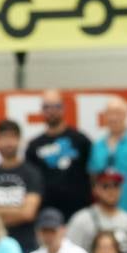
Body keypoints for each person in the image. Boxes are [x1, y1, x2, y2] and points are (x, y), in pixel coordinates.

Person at [25, 89, 94, 225]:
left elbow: (93, 174)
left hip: (79, 212)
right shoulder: (34, 146)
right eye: (47, 107)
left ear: (63, 108)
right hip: (46, 215)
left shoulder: (80, 140)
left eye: (56, 106)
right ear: (42, 110)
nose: (51, 111)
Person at [0, 120, 45, 253]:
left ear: (20, 141)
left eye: (12, 137)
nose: (8, 142)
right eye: (4, 137)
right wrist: (17, 210)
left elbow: (28, 213)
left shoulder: (32, 174)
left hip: (25, 245)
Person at [67, 169, 127, 253]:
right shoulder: (81, 220)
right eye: (105, 186)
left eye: (116, 185)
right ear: (95, 190)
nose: (111, 190)